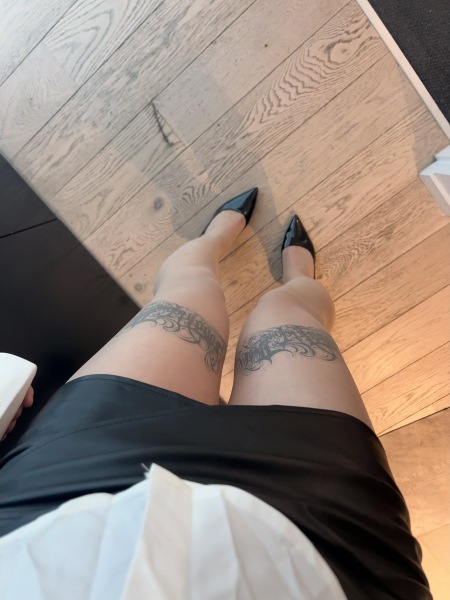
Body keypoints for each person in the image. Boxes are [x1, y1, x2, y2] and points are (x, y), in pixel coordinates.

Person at [0, 189, 430, 599]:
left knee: (189, 291)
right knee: (288, 311)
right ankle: (299, 279)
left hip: (57, 506)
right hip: (328, 554)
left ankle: (211, 241)